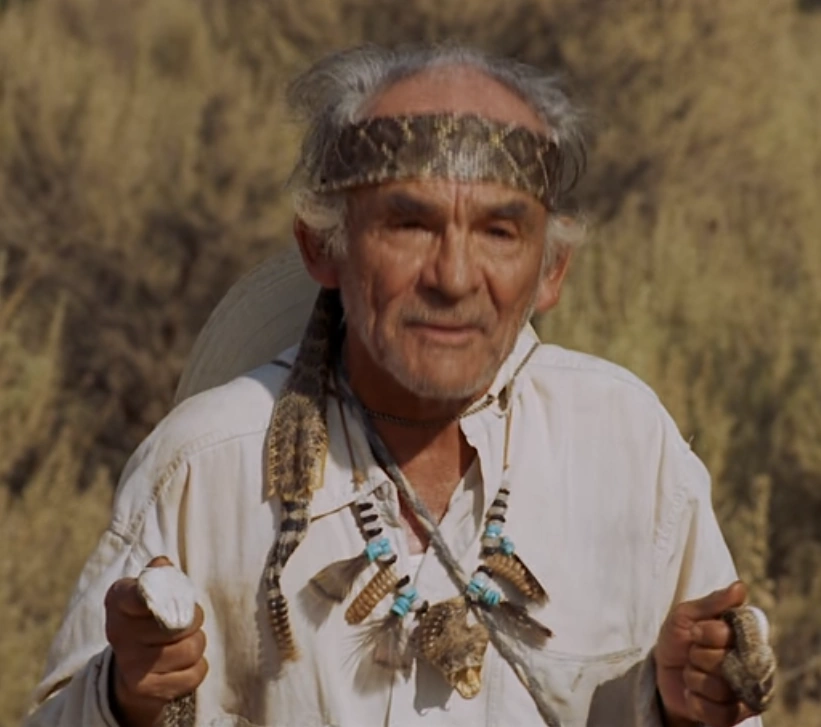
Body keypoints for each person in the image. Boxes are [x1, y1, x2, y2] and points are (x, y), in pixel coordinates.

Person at [22, 43, 772, 727]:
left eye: (499, 231)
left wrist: (684, 709)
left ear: (551, 270)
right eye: (409, 224)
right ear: (323, 245)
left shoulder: (627, 446)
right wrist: (129, 698)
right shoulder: (206, 464)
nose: (453, 277)